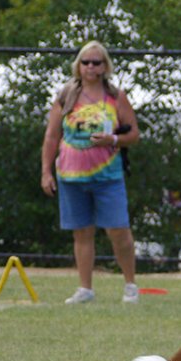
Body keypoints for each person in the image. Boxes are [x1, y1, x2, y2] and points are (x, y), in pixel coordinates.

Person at [41, 40, 140, 304]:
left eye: (97, 62)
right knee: (81, 232)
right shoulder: (66, 95)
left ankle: (130, 284)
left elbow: (133, 133)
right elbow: (52, 136)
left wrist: (113, 140)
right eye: (86, 62)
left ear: (105, 66)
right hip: (71, 177)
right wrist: (46, 172)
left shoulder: (115, 96)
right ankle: (85, 288)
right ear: (78, 65)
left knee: (118, 230)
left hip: (108, 177)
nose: (91, 67)